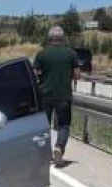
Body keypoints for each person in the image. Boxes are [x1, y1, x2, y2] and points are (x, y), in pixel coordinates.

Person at [33, 26, 80, 166]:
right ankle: (59, 147)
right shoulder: (71, 54)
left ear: (49, 39)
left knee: (43, 125)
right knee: (64, 124)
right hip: (64, 95)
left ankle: (44, 153)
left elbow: (34, 74)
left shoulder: (42, 54)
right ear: (63, 38)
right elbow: (77, 75)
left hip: (45, 95)